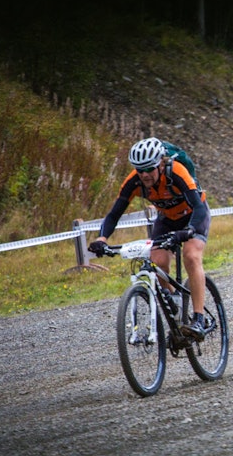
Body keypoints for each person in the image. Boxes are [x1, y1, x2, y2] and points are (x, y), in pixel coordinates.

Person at [88, 137, 213, 339]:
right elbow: (114, 214)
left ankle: (199, 319)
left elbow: (198, 207)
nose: (144, 174)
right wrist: (102, 238)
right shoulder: (134, 181)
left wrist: (189, 231)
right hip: (167, 218)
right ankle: (176, 304)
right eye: (140, 169)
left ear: (161, 164)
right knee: (158, 261)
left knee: (191, 255)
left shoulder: (177, 172)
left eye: (149, 168)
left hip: (193, 216)